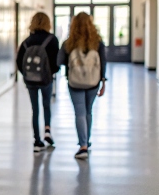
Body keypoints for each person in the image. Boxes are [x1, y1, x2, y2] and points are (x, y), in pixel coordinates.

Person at [57, 12, 107, 160]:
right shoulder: (98, 43)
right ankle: (86, 140)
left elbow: (58, 61)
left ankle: (83, 146)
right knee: (88, 112)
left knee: (79, 112)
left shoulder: (68, 43)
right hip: (93, 82)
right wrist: (103, 82)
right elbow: (103, 62)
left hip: (75, 82)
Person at [16, 12, 60, 152]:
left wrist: (27, 75)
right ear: (48, 23)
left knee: (35, 109)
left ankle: (37, 141)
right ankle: (47, 130)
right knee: (46, 105)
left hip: (31, 80)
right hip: (46, 79)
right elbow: (56, 61)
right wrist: (50, 73)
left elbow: (19, 61)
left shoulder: (26, 42)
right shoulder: (52, 40)